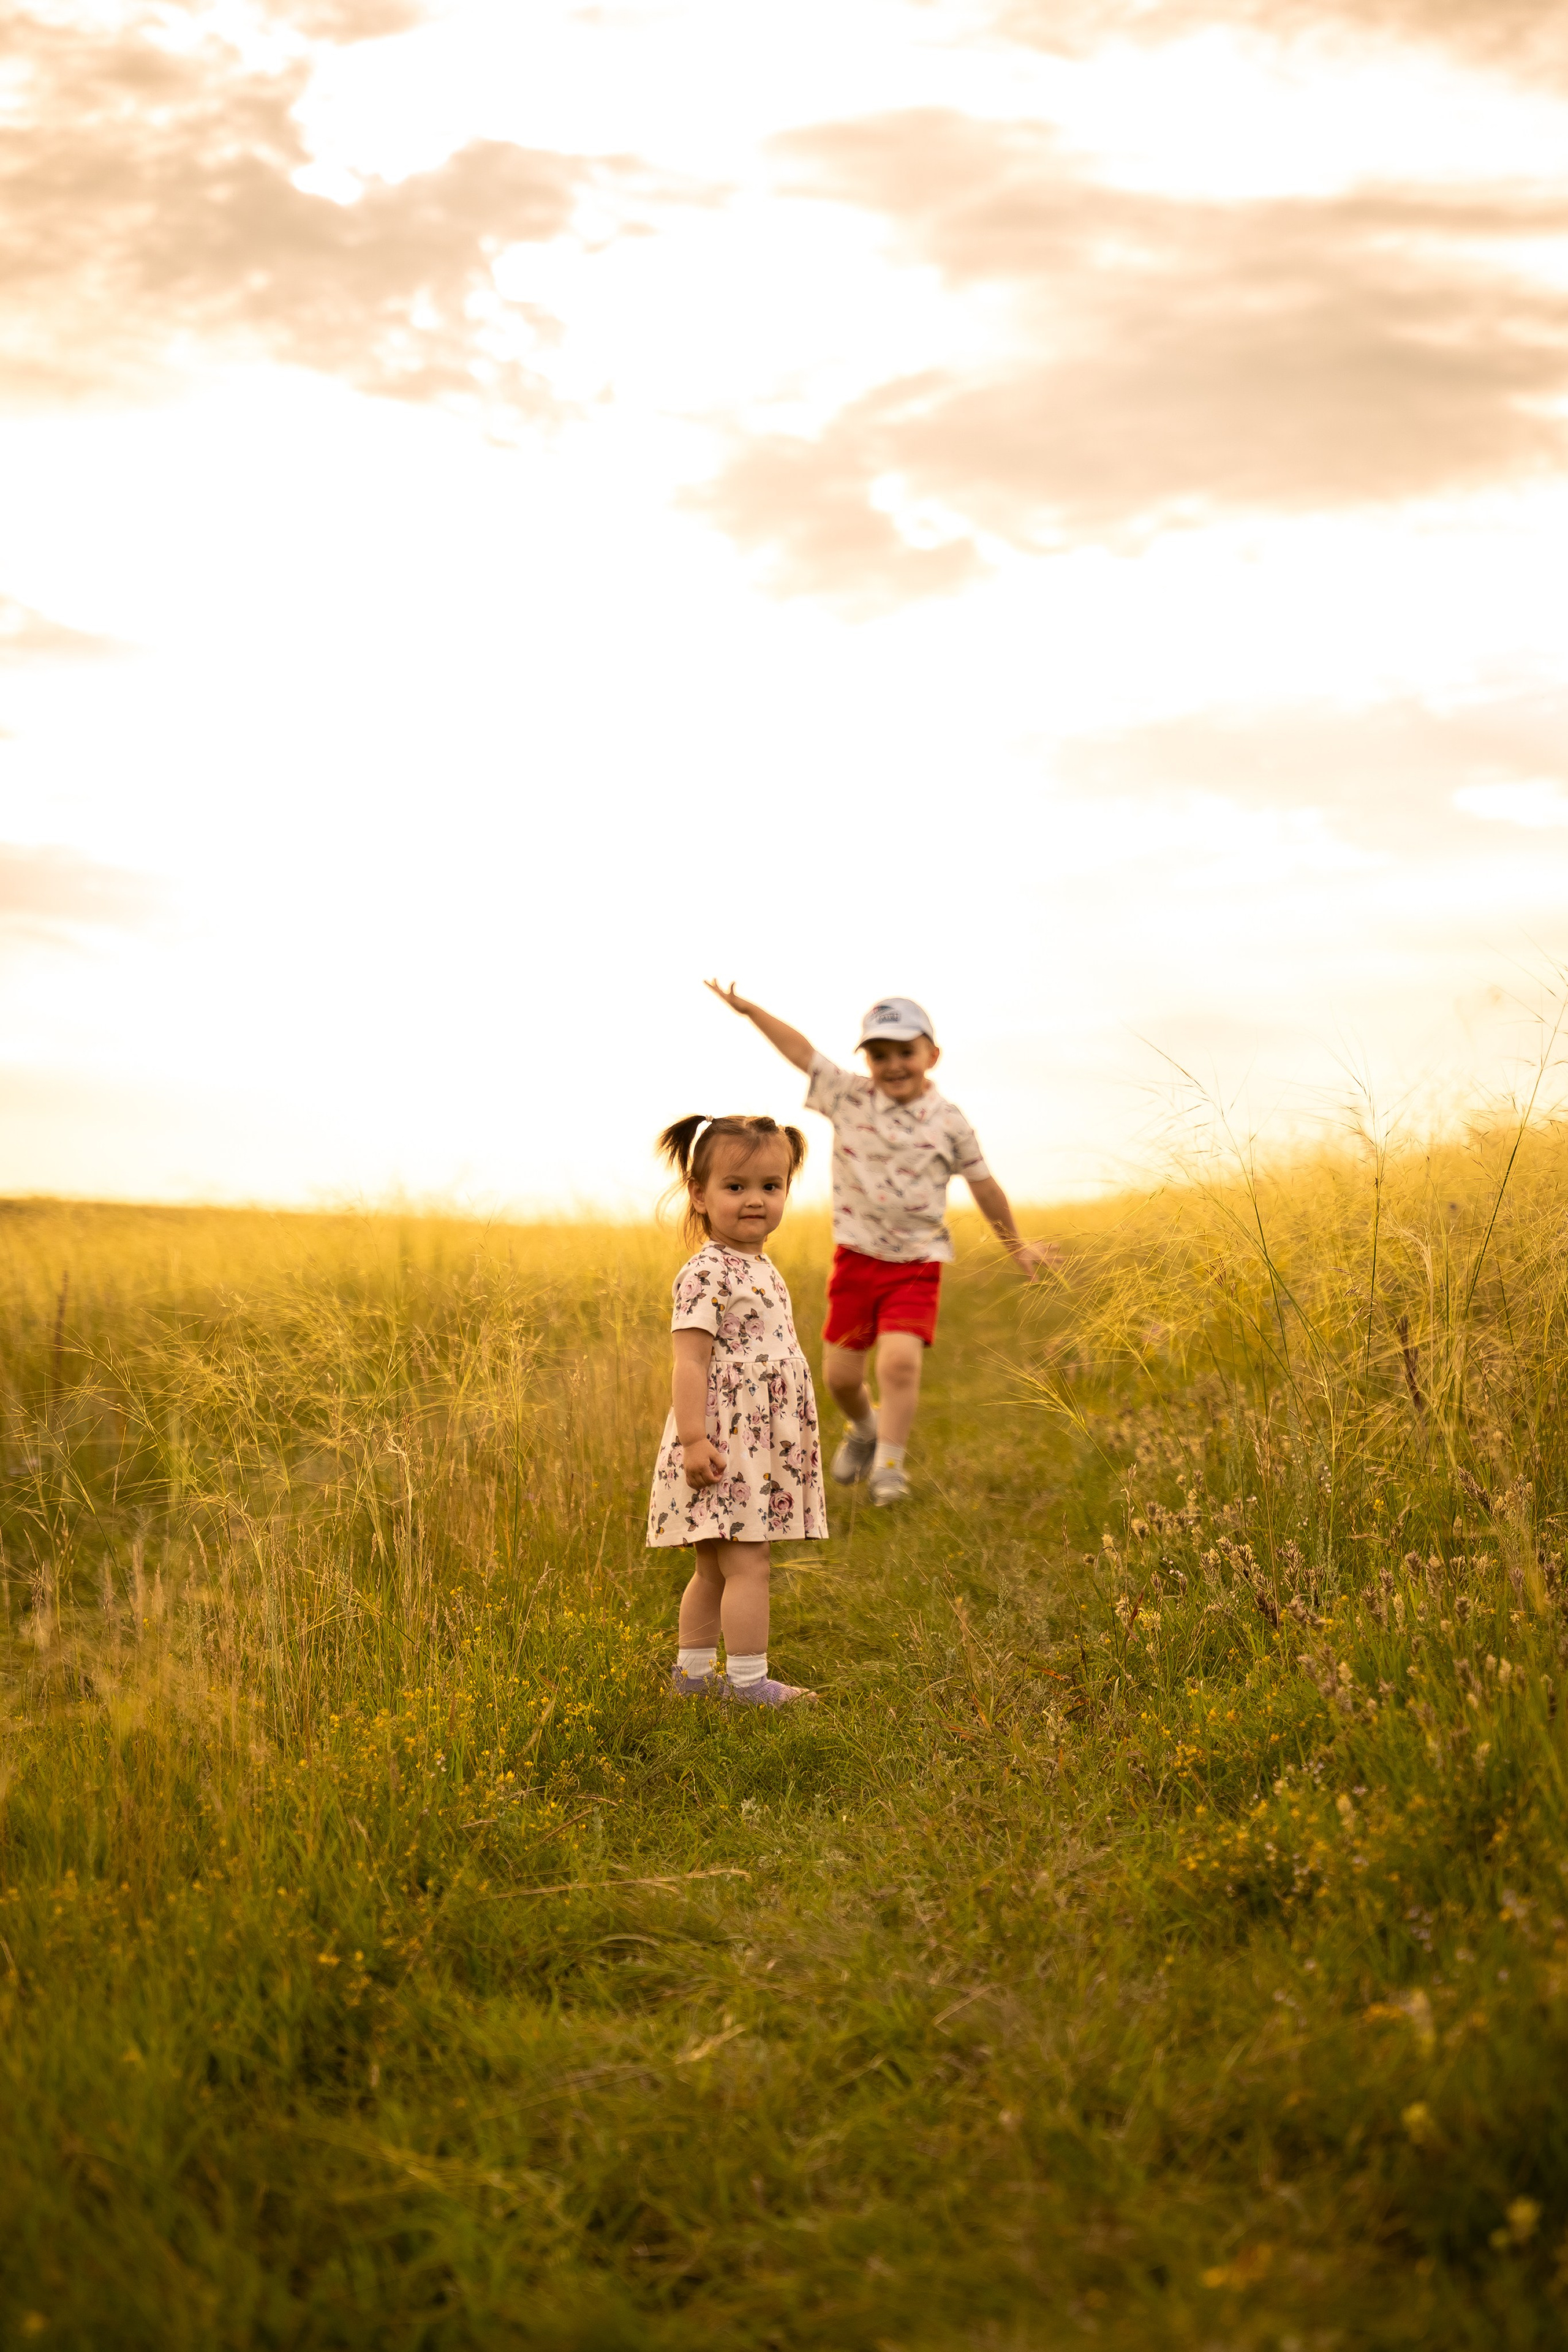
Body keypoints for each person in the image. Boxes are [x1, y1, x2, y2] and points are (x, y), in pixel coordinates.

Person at [705, 984, 1044, 1504]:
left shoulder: (950, 1122)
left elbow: (985, 1186)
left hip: (916, 1263)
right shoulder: (850, 1096)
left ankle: (890, 1465)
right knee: (841, 1378)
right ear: (867, 1060)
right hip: (856, 1259)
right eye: (879, 1054)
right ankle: (865, 1428)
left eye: (906, 1051)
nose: (893, 1064)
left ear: (932, 1054)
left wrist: (1017, 1246)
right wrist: (751, 1011)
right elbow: (802, 1053)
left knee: (899, 1364)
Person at [647, 1111, 827, 1706]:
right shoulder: (706, 1272)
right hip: (725, 1447)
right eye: (736, 1187)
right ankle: (748, 1685)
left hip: (753, 1446)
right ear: (698, 1195)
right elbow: (691, 1362)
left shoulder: (760, 1265)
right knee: (747, 1565)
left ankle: (693, 1678)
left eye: (770, 1187)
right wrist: (695, 1441)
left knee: (716, 1569)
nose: (756, 1201)